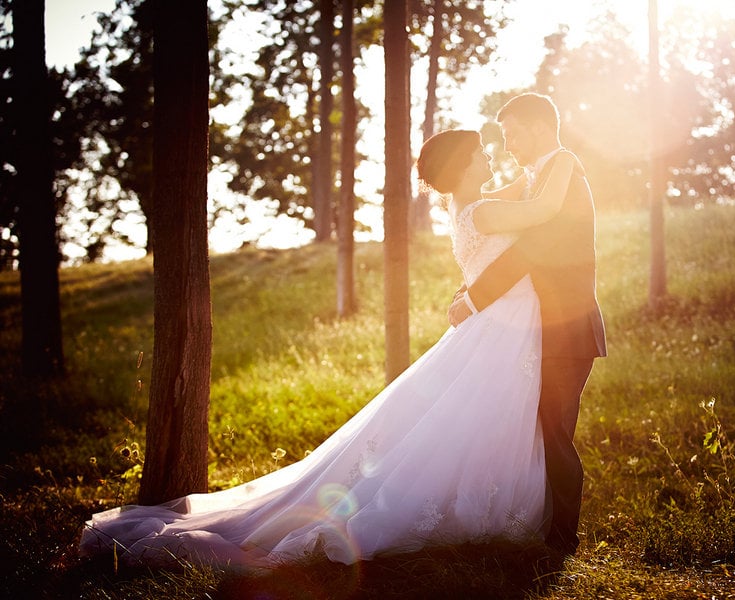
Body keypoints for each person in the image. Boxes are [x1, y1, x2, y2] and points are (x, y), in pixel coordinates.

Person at [79, 128, 578, 568]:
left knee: (471, 418)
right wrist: (566, 159)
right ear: (463, 166)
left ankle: (478, 498)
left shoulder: (471, 205)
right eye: (480, 154)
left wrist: (542, 160)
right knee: (472, 418)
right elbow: (542, 207)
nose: (490, 159)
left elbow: (524, 190)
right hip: (500, 327)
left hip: (501, 324)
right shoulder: (487, 210)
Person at [448, 93, 607, 556]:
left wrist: (476, 298)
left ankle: (560, 543)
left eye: (513, 132)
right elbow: (478, 217)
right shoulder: (538, 178)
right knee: (534, 430)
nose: (508, 145)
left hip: (567, 326)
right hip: (536, 326)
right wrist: (468, 287)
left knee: (555, 433)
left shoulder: (566, 175)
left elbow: (530, 250)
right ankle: (528, 524)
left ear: (540, 128)